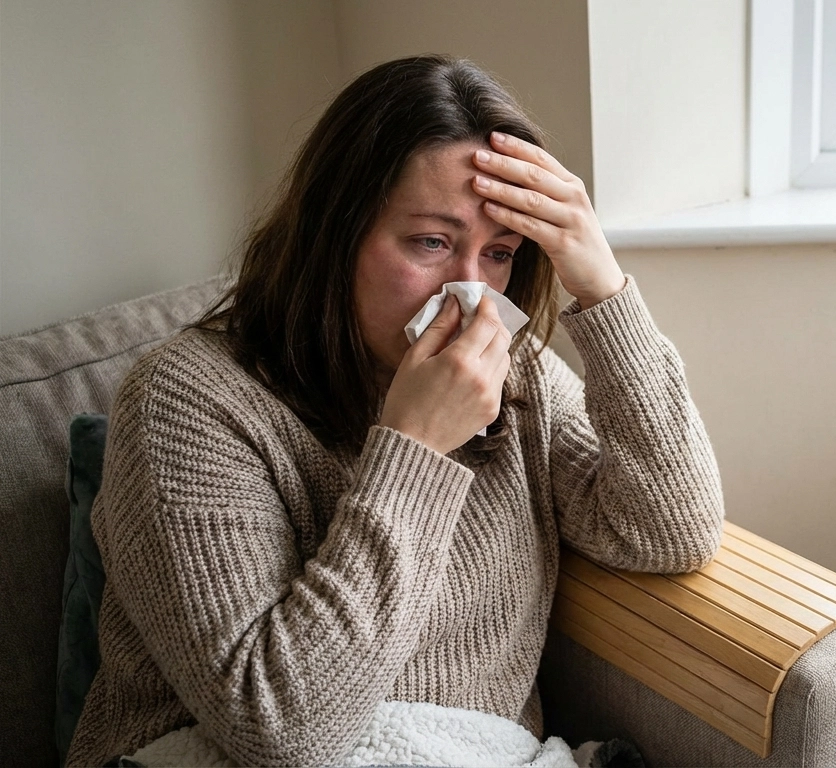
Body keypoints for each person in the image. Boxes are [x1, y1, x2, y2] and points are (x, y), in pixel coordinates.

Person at [65, 55, 724, 767]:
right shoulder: (187, 398)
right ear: (335, 236)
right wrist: (415, 448)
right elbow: (280, 731)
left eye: (500, 252)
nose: (469, 292)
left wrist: (602, 288)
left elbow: (672, 530)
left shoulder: (515, 370)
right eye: (431, 243)